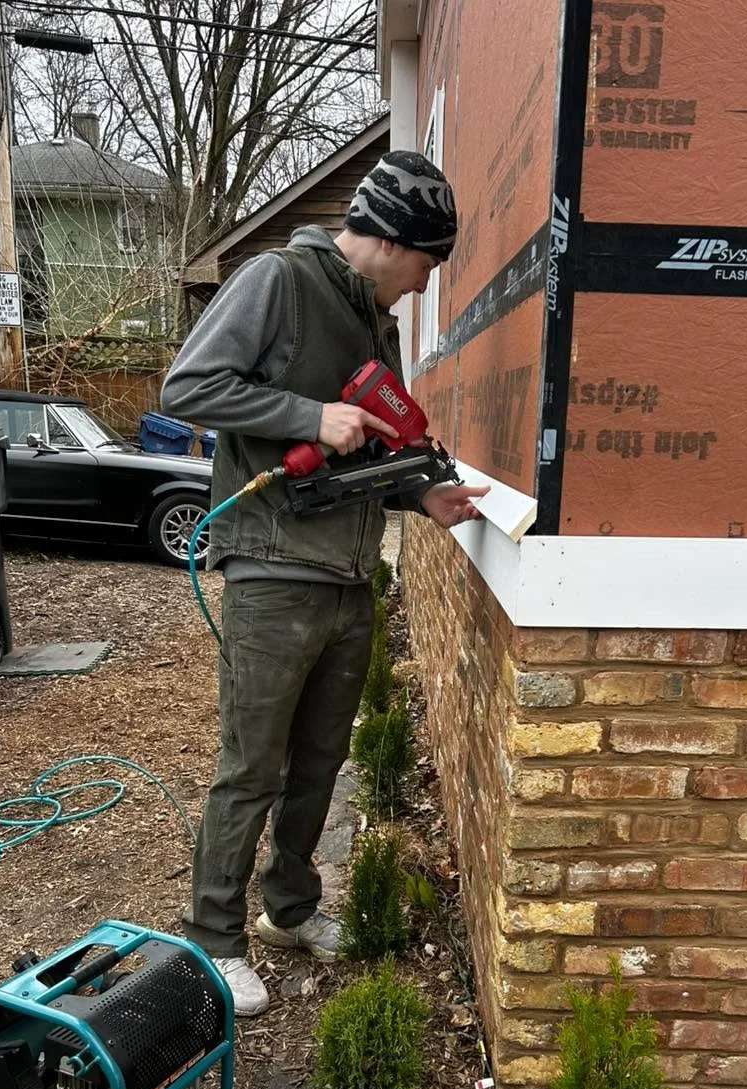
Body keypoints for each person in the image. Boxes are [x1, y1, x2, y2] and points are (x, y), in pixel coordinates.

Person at [162, 150, 487, 1016]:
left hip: (348, 572)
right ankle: (213, 940)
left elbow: (377, 447)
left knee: (319, 762)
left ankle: (288, 912)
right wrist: (307, 416)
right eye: (427, 266)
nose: (423, 287)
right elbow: (190, 383)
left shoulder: (375, 323)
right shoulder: (277, 280)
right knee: (251, 767)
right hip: (272, 569)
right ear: (391, 239)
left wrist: (426, 494)